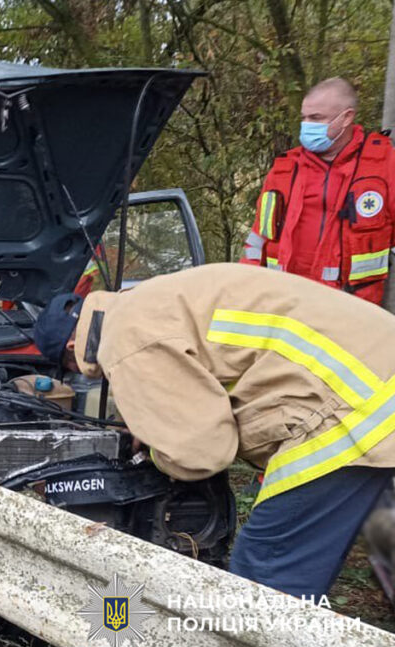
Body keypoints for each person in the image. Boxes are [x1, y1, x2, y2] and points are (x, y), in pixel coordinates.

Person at [34, 263, 395, 598]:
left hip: (353, 403)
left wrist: (156, 453)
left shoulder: (123, 338)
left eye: (73, 367)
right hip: (376, 370)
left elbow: (203, 451)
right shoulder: (143, 303)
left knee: (265, 569)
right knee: (318, 543)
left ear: (72, 348)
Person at [239, 78, 395, 305]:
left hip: (351, 309)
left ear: (346, 118)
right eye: (303, 117)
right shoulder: (284, 169)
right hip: (285, 303)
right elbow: (258, 240)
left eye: (316, 118)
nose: (307, 125)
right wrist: (245, 288)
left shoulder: (383, 165)